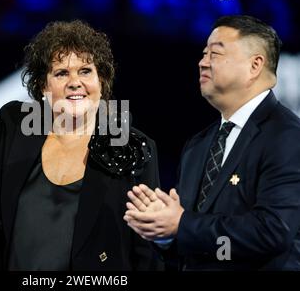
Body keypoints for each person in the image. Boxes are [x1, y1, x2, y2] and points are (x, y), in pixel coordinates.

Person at [0, 0, 161, 270]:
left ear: (102, 81)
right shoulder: (17, 125)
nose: (75, 82)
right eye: (61, 73)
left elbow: (145, 245)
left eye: (86, 71)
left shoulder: (131, 145)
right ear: (43, 87)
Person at [124, 15, 300, 270]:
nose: (202, 63)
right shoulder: (198, 145)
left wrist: (181, 224)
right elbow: (191, 240)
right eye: (203, 53)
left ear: (255, 65)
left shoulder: (288, 137)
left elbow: (273, 231)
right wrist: (164, 232)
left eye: (215, 54)